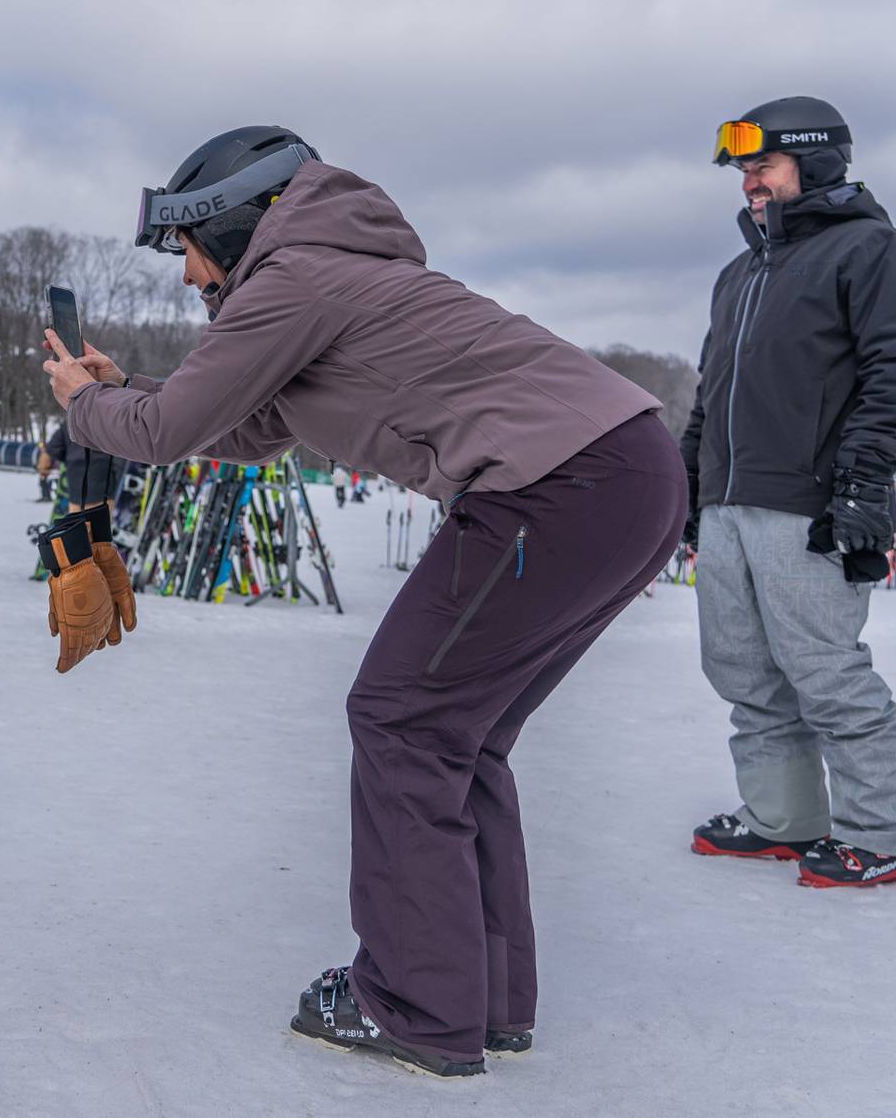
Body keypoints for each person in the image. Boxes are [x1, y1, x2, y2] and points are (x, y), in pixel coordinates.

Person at [44, 126, 679, 1078]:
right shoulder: (329, 272)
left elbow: (170, 430)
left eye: (188, 249)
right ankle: (481, 1000)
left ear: (230, 222)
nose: (188, 275)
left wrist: (81, 404)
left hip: (556, 488)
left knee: (403, 719)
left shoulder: (294, 277)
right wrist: (121, 389)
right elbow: (245, 426)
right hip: (622, 473)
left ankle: (419, 1005)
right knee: (456, 734)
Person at [685, 97, 896, 889]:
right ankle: (785, 817)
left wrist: (862, 482)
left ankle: (885, 837)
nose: (749, 183)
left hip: (810, 503)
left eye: (763, 165)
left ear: (816, 160)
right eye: (743, 171)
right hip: (728, 503)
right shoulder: (740, 274)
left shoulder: (871, 250)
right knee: (743, 673)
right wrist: (687, 490)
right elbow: (708, 395)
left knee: (826, 674)